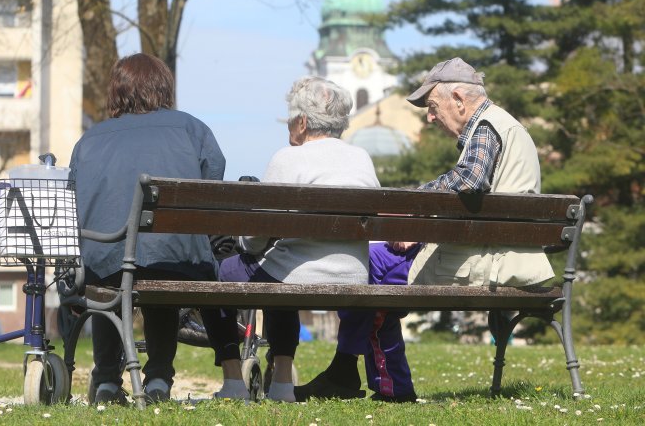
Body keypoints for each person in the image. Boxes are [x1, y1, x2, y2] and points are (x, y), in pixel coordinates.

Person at [295, 57, 554, 403]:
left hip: (492, 261)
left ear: (459, 100)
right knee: (371, 266)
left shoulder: (488, 128)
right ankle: (363, 378)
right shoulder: (501, 127)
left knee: (364, 268)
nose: (430, 117)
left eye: (433, 106)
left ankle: (359, 377)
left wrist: (414, 207)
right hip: (495, 251)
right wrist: (420, 222)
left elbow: (469, 180)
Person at [200, 76, 379, 402]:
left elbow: (255, 238)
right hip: (354, 275)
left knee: (221, 275)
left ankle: (232, 381)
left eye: (290, 119)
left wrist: (243, 244)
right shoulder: (361, 158)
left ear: (304, 121)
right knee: (280, 271)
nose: (288, 127)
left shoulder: (288, 158)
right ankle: (282, 382)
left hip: (294, 274)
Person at [69, 53, 225, 405]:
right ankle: (157, 380)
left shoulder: (89, 140)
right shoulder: (193, 130)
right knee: (160, 265)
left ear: (117, 90)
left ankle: (107, 380)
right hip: (178, 262)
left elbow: (73, 198)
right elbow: (213, 184)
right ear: (163, 87)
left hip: (103, 263)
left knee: (112, 281)